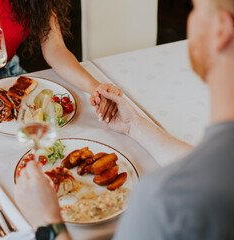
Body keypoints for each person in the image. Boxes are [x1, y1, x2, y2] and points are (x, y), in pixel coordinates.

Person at [14, 0, 234, 239]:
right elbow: (209, 167)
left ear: (221, 29)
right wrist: (135, 126)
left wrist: (49, 223)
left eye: (195, 9)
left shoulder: (163, 200)